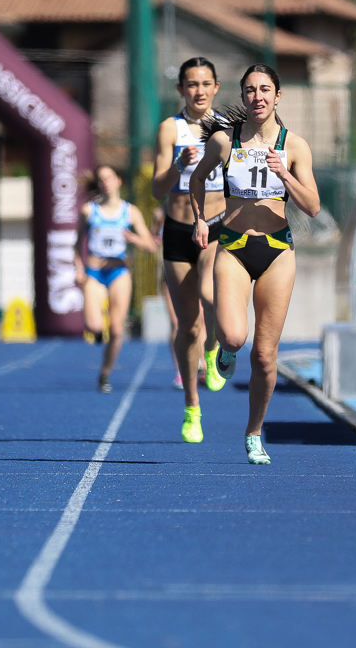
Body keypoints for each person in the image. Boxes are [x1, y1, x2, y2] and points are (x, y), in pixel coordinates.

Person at [190, 64, 320, 464]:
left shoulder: (294, 145)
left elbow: (313, 206)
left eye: (265, 90)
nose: (257, 97)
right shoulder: (224, 142)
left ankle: (253, 433)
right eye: (250, 90)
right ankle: (225, 351)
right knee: (232, 338)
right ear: (243, 96)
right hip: (233, 247)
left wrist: (285, 175)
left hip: (277, 251)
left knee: (264, 356)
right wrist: (200, 218)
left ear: (277, 96)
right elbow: (197, 179)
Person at [152, 57, 227, 443]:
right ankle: (192, 406)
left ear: (216, 87)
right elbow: (157, 189)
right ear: (181, 89)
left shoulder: (228, 128)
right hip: (178, 230)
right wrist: (177, 166)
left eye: (206, 83)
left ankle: (212, 350)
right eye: (192, 84)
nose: (199, 91)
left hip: (215, 227)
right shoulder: (171, 128)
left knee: (210, 296)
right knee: (187, 326)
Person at [75, 165, 158, 393]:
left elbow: (150, 246)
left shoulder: (130, 212)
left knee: (116, 330)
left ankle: (105, 374)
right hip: (94, 273)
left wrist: (133, 239)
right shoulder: (89, 210)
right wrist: (79, 268)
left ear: (118, 181)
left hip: (119, 272)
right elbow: (77, 243)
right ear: (98, 184)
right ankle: (97, 331)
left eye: (109, 178)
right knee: (93, 325)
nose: (106, 183)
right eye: (101, 179)